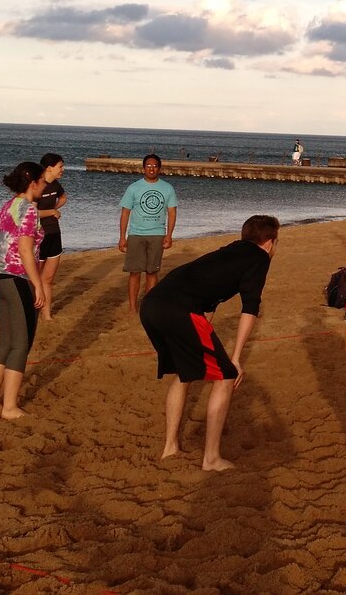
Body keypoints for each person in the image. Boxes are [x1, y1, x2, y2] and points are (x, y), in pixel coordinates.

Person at [141, 214, 277, 470]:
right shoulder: (259, 257)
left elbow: (207, 301)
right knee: (225, 375)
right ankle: (211, 459)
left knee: (184, 373)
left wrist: (203, 337)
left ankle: (170, 448)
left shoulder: (228, 253)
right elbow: (250, 308)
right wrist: (235, 359)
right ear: (269, 242)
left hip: (151, 304)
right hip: (177, 309)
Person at [0, 162, 50, 419]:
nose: (45, 187)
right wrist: (38, 285)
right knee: (21, 345)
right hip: (17, 280)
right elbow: (25, 250)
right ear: (32, 183)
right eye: (42, 182)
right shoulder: (30, 210)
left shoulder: (8, 206)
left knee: (5, 342)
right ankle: (9, 406)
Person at [118, 154, 178, 313]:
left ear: (159, 168)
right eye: (148, 166)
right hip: (136, 234)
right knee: (134, 272)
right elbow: (125, 213)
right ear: (143, 168)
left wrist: (169, 235)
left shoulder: (167, 188)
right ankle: (132, 308)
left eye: (155, 166)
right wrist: (122, 237)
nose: (151, 169)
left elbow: (172, 213)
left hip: (157, 234)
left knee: (152, 272)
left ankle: (148, 306)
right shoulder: (134, 188)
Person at [35, 153, 67, 320]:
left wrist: (55, 207)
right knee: (35, 278)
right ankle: (32, 311)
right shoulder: (37, 184)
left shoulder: (56, 184)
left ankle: (46, 314)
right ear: (49, 168)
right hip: (39, 235)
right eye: (60, 166)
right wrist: (51, 212)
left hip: (54, 233)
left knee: (48, 278)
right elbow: (31, 213)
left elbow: (63, 197)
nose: (63, 169)